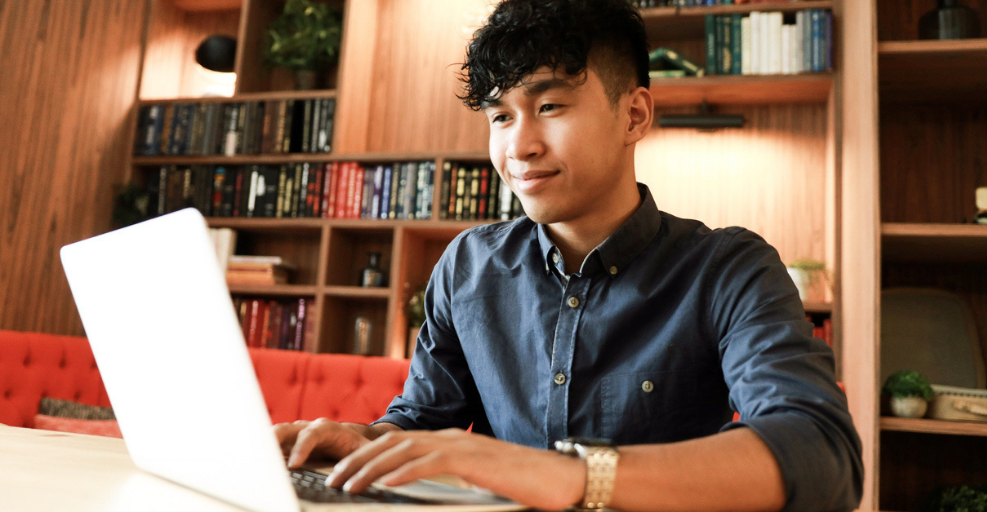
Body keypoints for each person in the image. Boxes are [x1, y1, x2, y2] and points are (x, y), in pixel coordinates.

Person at [275, 0, 863, 510]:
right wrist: (364, 438)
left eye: (549, 107)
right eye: (500, 116)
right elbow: (427, 421)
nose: (520, 146)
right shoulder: (469, 265)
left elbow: (820, 452)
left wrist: (572, 476)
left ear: (633, 114)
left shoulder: (727, 268)